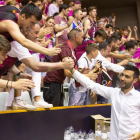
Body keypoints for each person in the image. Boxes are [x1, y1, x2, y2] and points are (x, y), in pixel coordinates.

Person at [5, 23, 74, 110]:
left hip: (13, 66)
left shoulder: (22, 43)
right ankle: (16, 102)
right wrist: (59, 62)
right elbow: (35, 65)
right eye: (36, 33)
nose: (38, 36)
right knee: (23, 68)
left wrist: (18, 74)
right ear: (26, 31)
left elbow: (10, 66)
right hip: (13, 67)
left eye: (38, 33)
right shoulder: (17, 42)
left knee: (23, 73)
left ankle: (32, 99)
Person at [69, 65, 140, 140]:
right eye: (122, 75)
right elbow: (91, 85)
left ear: (135, 80)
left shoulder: (138, 97)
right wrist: (72, 70)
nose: (122, 78)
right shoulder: (114, 92)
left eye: (127, 76)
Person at [43, 29, 97, 106]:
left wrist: (81, 73)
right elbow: (67, 72)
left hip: (56, 84)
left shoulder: (70, 48)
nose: (83, 39)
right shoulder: (66, 48)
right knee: (53, 115)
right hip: (52, 84)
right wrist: (86, 76)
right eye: (81, 37)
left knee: (59, 113)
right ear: (76, 38)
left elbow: (70, 71)